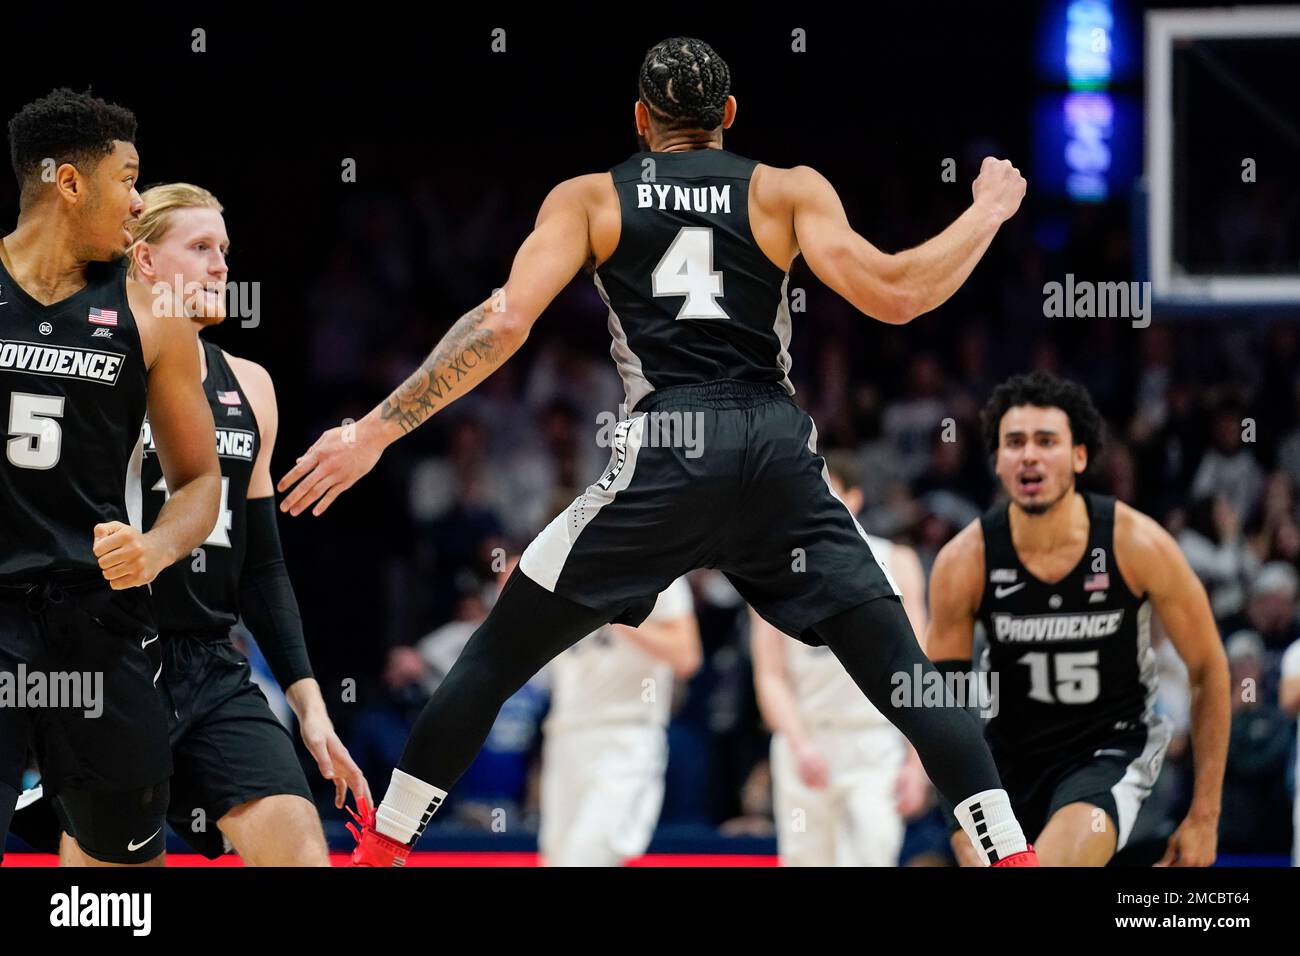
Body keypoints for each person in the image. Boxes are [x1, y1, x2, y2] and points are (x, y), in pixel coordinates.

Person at [280, 37, 1036, 867]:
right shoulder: (787, 189)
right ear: (731, 118)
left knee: (495, 656)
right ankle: (1011, 853)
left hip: (670, 443)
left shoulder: (590, 198)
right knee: (905, 673)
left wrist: (375, 429)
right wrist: (986, 213)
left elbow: (500, 324)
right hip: (774, 443)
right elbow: (896, 293)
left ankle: (382, 850)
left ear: (640, 120)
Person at [0, 89, 221, 865]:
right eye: (127, 180)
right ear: (68, 183)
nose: (137, 202)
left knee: (124, 865)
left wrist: (157, 550)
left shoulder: (150, 314)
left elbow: (199, 482)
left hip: (93, 621)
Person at [928, 371, 1229, 866]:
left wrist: (1205, 815)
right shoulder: (965, 561)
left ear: (1079, 456)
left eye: (1047, 441)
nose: (1030, 454)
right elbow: (944, 707)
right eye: (1015, 442)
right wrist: (960, 825)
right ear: (998, 461)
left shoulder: (1136, 543)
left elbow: (1209, 670)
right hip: (1006, 765)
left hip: (1107, 752)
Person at [752, 453, 930, 865]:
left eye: (830, 492)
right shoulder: (771, 570)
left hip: (872, 741)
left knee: (872, 855)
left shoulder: (897, 562)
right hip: (807, 739)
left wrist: (917, 761)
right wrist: (798, 743)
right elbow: (771, 676)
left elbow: (919, 669)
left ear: (855, 498)